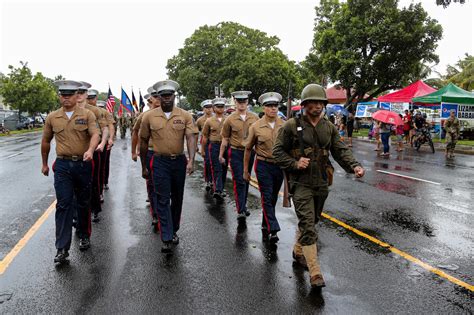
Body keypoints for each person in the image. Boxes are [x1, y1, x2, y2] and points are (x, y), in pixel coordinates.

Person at [273, 83, 365, 288]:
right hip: (300, 182)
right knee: (307, 222)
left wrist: (355, 166)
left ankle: (298, 251)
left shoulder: (328, 127)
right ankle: (315, 272)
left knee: (313, 220)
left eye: (320, 102)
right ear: (305, 105)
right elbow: (277, 152)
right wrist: (294, 163)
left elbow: (340, 150)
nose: (317, 106)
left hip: (322, 181)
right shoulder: (291, 126)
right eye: (313, 102)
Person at [41, 80, 99, 263]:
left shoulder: (87, 114)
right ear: (60, 96)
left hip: (83, 164)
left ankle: (83, 235)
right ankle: (62, 248)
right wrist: (44, 163)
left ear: (76, 96)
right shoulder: (52, 117)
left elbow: (95, 134)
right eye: (63, 95)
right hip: (63, 166)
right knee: (64, 204)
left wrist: (90, 150)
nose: (66, 98)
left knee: (83, 203)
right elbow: (45, 141)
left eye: (69, 95)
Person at [139, 79, 198, 253]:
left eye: (169, 95)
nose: (166, 99)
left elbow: (191, 137)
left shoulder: (185, 115)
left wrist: (191, 160)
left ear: (174, 96)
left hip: (178, 162)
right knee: (162, 198)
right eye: (163, 96)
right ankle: (166, 236)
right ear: (158, 97)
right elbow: (142, 141)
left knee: (177, 198)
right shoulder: (149, 116)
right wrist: (144, 165)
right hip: (159, 162)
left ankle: (173, 229)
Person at [243, 92, 284, 243]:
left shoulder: (284, 125)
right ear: (264, 108)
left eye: (275, 106)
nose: (273, 108)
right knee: (266, 196)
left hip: (279, 166)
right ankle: (273, 229)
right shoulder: (256, 126)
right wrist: (246, 171)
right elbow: (248, 149)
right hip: (262, 164)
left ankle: (265, 223)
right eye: (270, 106)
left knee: (273, 197)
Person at [219, 91, 258, 220]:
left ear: (247, 102)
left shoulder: (254, 118)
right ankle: (241, 209)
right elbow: (225, 138)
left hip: (250, 152)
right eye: (239, 101)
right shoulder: (229, 119)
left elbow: (258, 137)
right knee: (239, 180)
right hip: (235, 152)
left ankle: (243, 205)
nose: (242, 104)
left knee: (246, 178)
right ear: (235, 102)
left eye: (244, 101)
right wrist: (221, 155)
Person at [78, 83, 109, 223]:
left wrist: (102, 144)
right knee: (75, 186)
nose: (78, 96)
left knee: (93, 182)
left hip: (92, 151)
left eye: (82, 92)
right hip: (75, 153)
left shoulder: (95, 111)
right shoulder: (67, 111)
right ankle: (77, 215)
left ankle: (95, 209)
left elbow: (105, 128)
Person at [132, 90, 161, 230]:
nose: (157, 100)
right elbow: (136, 133)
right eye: (154, 97)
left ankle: (162, 210)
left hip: (164, 154)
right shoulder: (144, 116)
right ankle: (156, 213)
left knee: (164, 186)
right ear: (150, 100)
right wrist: (134, 151)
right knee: (152, 184)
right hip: (149, 152)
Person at [201, 98, 228, 201]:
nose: (220, 109)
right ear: (214, 108)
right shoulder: (209, 121)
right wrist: (203, 150)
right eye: (218, 106)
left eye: (222, 106)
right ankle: (218, 189)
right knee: (217, 167)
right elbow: (205, 137)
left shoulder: (228, 119)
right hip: (214, 146)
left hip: (226, 146)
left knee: (224, 168)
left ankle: (221, 188)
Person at [196, 100, 214, 192]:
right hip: (206, 143)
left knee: (215, 163)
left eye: (210, 107)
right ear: (203, 109)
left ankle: (214, 181)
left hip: (215, 143)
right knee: (207, 162)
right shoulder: (200, 120)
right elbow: (196, 133)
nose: (209, 109)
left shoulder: (216, 118)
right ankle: (208, 180)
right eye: (207, 108)